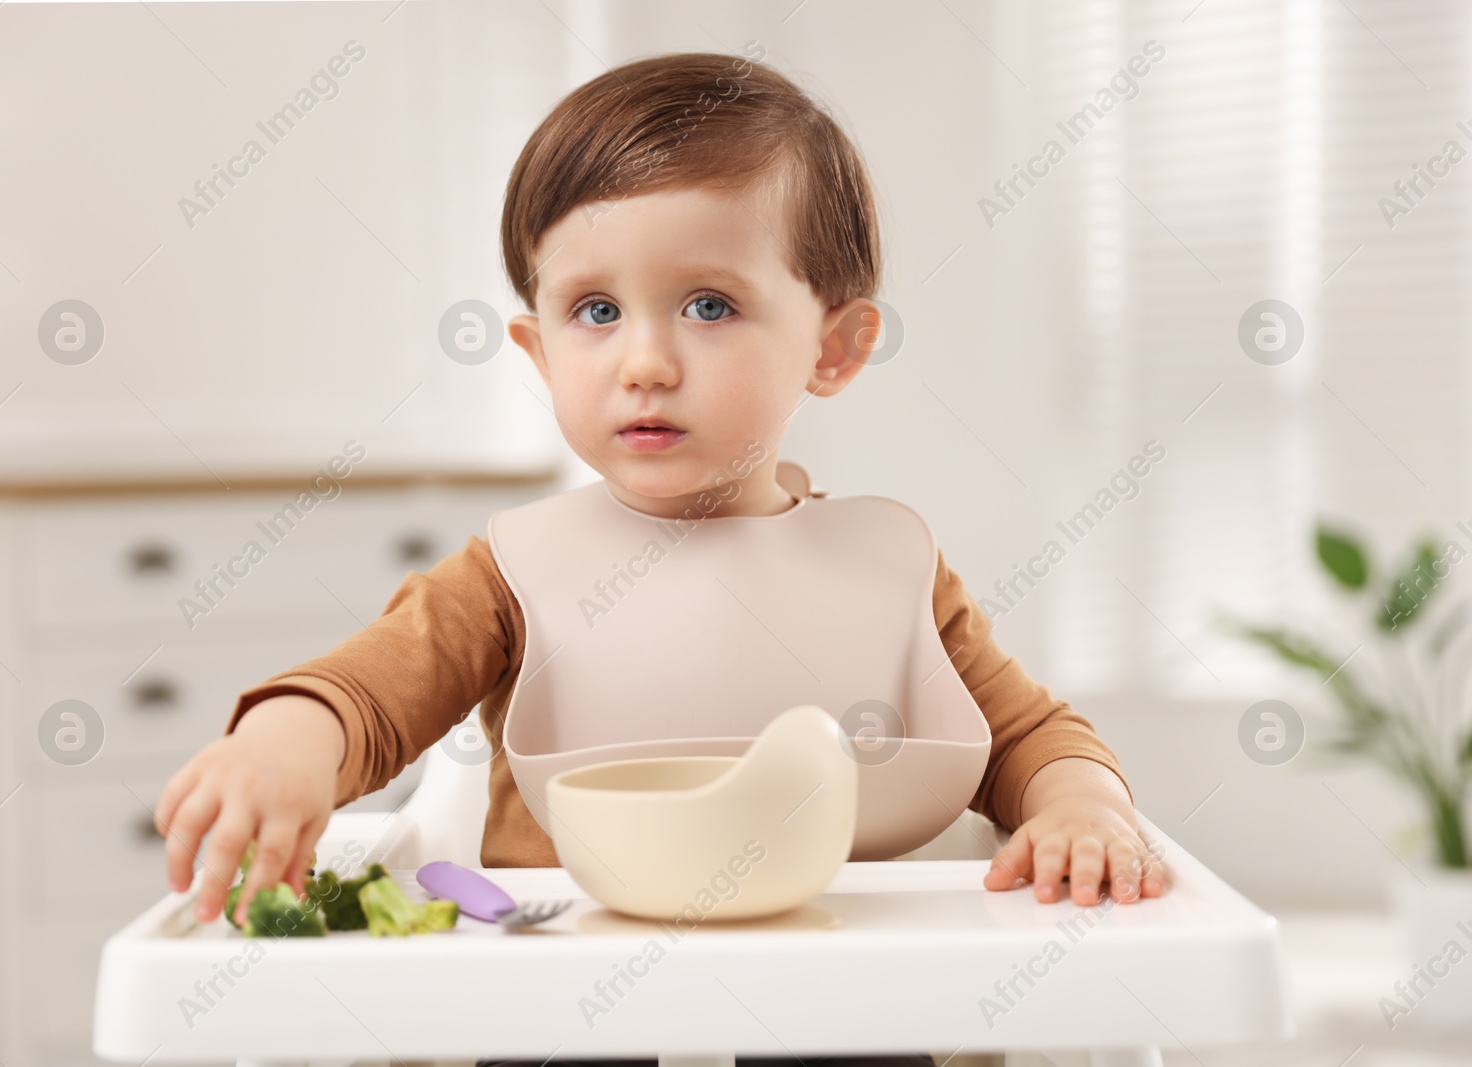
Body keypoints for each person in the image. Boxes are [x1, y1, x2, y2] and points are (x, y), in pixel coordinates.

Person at [155, 47, 1165, 1067]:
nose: (644, 362)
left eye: (709, 305)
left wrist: (1077, 804)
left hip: (829, 980)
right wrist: (285, 741)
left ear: (834, 346)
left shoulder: (888, 564)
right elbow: (368, 691)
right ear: (539, 350)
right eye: (595, 311)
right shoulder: (512, 572)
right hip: (562, 984)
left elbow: (1025, 736)